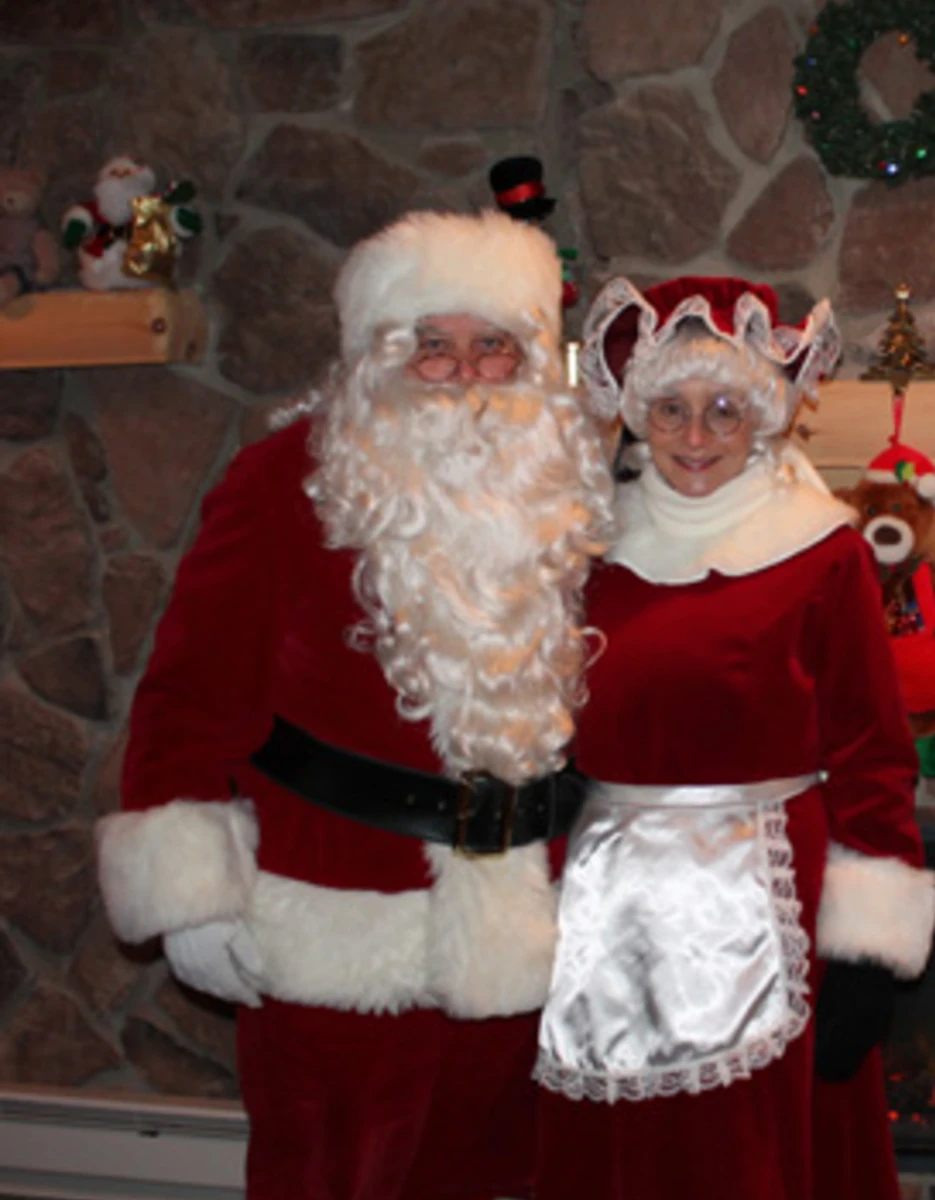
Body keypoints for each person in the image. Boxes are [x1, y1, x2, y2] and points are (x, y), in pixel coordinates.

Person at [94, 209, 613, 1200]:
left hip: (524, 937)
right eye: (433, 347)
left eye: (493, 347)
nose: (464, 376)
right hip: (337, 931)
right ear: (377, 355)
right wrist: (190, 896)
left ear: (532, 359)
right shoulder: (282, 481)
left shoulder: (570, 495)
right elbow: (190, 691)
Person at [533, 276, 935, 1199]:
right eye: (670, 409)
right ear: (636, 414)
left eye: (724, 409)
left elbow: (876, 753)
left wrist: (869, 947)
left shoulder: (822, 550)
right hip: (606, 912)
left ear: (765, 417)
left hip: (770, 909)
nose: (693, 436)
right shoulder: (589, 549)